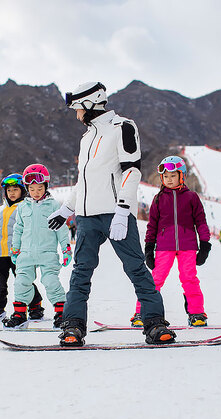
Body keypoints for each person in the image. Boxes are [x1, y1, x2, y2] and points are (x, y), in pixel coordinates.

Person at [47, 81, 176, 346]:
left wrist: (123, 210)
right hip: (86, 218)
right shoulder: (86, 137)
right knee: (80, 272)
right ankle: (73, 326)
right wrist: (66, 209)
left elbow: (131, 170)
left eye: (77, 109)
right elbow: (84, 181)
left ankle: (155, 324)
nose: (76, 115)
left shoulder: (123, 127)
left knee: (136, 269)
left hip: (115, 213)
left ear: (89, 104)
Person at [136, 155, 211, 327]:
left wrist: (205, 245)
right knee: (156, 279)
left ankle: (197, 313)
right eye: (166, 177)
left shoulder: (192, 197)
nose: (169, 180)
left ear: (181, 176)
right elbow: (152, 225)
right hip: (164, 246)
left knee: (189, 278)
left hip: (188, 246)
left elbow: (201, 221)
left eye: (173, 176)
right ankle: (143, 312)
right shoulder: (158, 199)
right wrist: (149, 248)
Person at [6, 164, 71, 329]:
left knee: (50, 282)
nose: (36, 192)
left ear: (46, 186)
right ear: (27, 188)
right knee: (21, 282)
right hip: (26, 254)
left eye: (40, 188)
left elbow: (61, 229)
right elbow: (18, 229)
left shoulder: (54, 206)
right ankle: (20, 314)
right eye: (32, 188)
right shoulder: (22, 207)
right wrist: (15, 248)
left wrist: (66, 249)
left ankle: (61, 313)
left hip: (47, 253)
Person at [0, 174, 43, 320]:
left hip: (19, 253)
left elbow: (31, 231)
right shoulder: (1, 211)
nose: (12, 193)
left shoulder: (25, 208)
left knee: (23, 281)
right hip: (0, 253)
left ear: (22, 191)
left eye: (15, 190)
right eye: (9, 190)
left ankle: (35, 305)